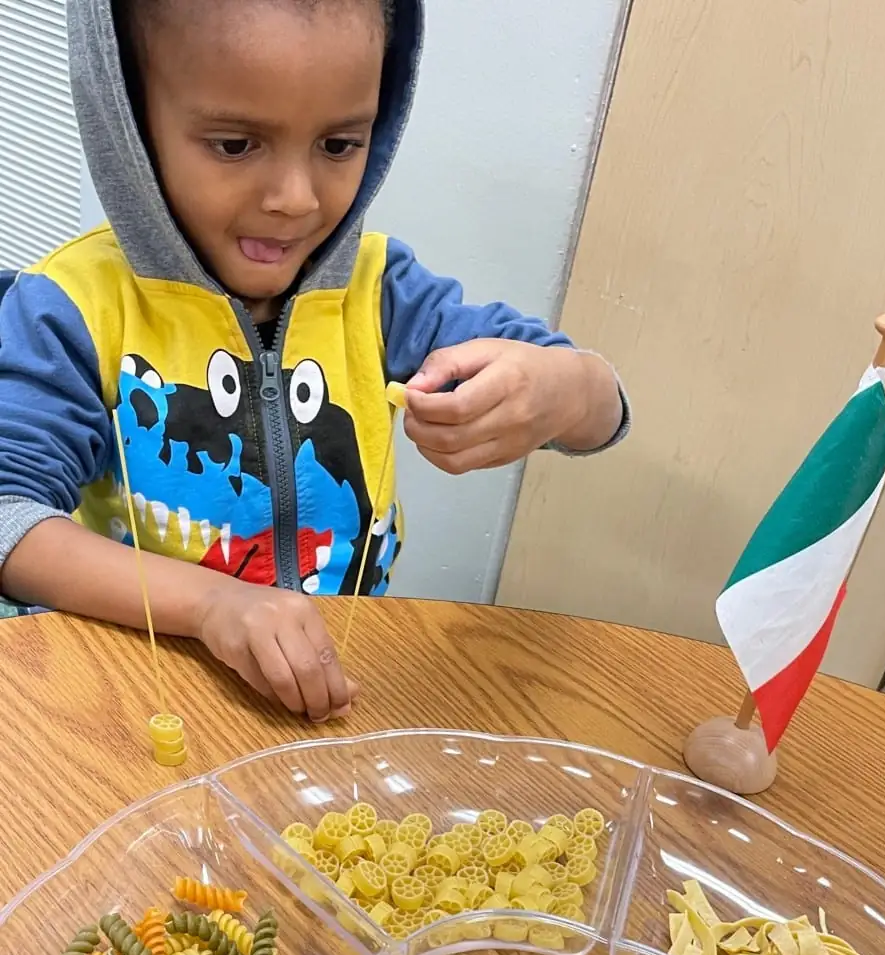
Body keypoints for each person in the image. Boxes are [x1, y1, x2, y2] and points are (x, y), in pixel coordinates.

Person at [0, 0, 629, 719]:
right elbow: (6, 515)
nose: (296, 201)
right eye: (236, 145)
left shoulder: (383, 291)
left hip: (322, 695)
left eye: (338, 145)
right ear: (132, 128)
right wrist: (212, 605)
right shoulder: (68, 309)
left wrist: (570, 390)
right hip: (127, 704)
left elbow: (593, 410)